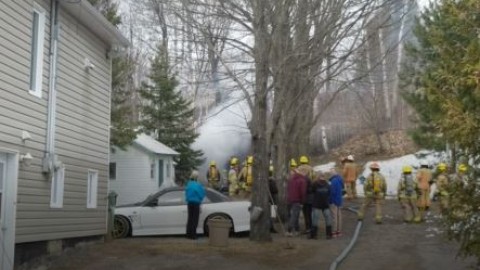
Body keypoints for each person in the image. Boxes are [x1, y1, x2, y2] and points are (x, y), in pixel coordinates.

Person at [310, 172, 332, 239]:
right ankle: (328, 234)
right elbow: (329, 193)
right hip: (325, 203)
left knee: (315, 219)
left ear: (318, 177)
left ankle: (314, 235)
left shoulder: (314, 183)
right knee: (328, 219)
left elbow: (312, 191)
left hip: (316, 203)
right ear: (324, 177)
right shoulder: (328, 184)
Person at [286, 169, 307, 237]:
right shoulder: (302, 180)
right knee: (295, 216)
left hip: (290, 200)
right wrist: (302, 202)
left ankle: (297, 229)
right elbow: (303, 192)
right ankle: (289, 230)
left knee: (293, 215)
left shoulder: (290, 180)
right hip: (297, 200)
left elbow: (288, 190)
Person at [185, 170, 205, 240]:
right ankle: (193, 235)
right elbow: (202, 194)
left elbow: (186, 193)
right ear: (197, 177)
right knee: (195, 219)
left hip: (189, 203)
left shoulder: (188, 184)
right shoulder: (198, 185)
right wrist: (200, 199)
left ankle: (188, 234)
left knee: (190, 218)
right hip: (196, 203)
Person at [297, 155, 314, 234]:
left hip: (303, 195)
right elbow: (314, 177)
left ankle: (307, 228)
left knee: (305, 213)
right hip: (310, 194)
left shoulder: (298, 169)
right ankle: (311, 227)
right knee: (310, 213)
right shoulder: (310, 168)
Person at [328, 168, 344, 237]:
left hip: (334, 201)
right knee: (339, 216)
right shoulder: (340, 179)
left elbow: (332, 192)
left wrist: (330, 201)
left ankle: (334, 232)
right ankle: (339, 231)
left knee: (334, 217)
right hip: (339, 200)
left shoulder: (333, 181)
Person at [268, 166, 279, 233]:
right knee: (272, 215)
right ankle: (271, 227)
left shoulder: (263, 180)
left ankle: (270, 227)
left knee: (270, 214)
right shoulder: (272, 181)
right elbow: (275, 190)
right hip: (272, 200)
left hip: (269, 200)